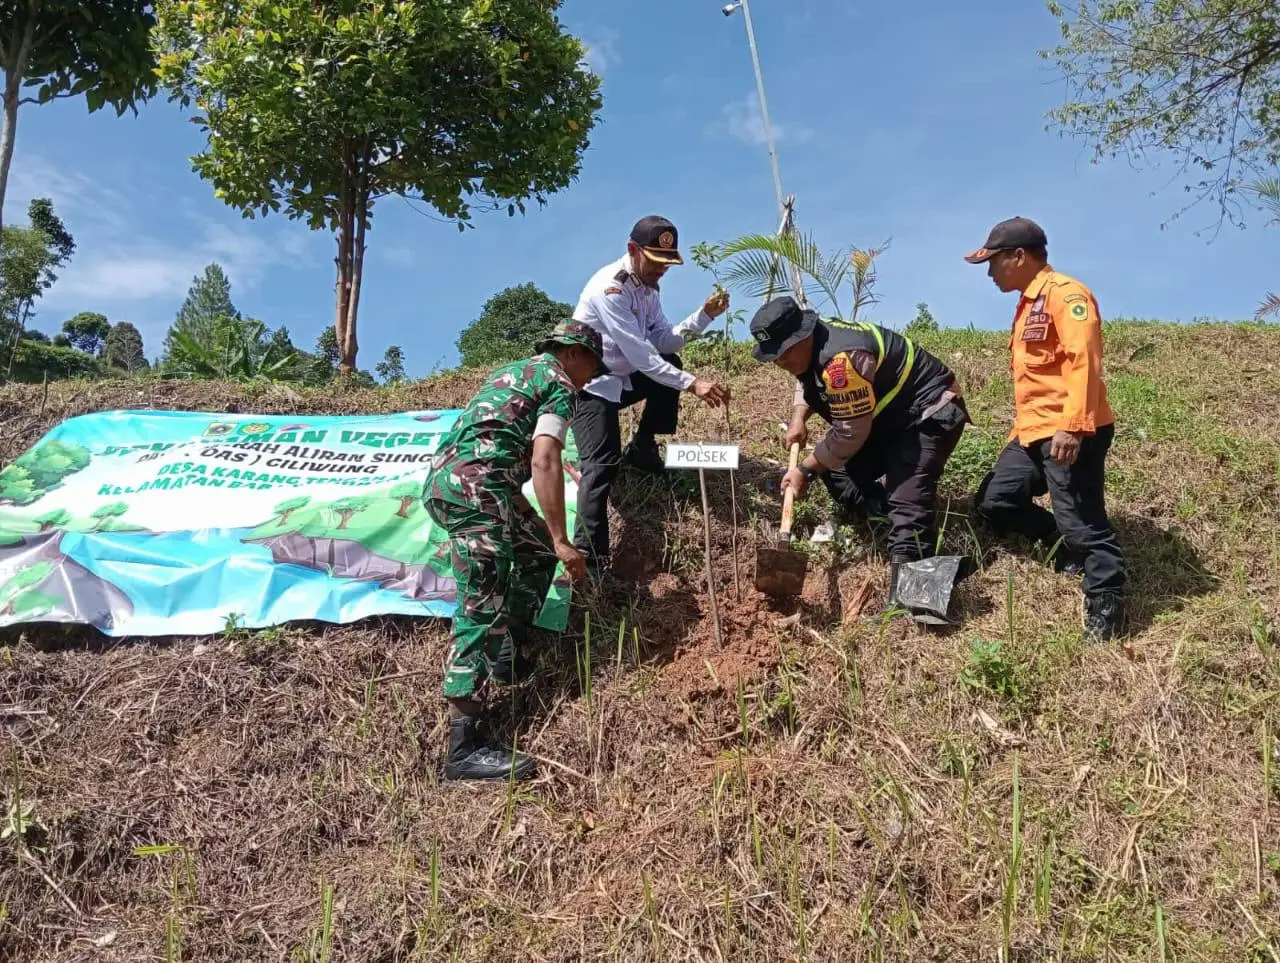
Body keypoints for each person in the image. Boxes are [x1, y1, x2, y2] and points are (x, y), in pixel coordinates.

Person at [424, 321, 606, 781]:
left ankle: (509, 655)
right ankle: (463, 748)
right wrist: (564, 538)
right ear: (573, 354)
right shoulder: (560, 385)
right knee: (481, 604)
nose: (589, 378)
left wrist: (551, 542)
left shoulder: (512, 372)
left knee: (536, 549)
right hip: (478, 491)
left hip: (461, 483)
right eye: (591, 367)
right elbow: (544, 458)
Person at [749, 295, 970, 612]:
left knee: (908, 503)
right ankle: (884, 513)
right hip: (887, 420)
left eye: (783, 354)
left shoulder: (843, 361)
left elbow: (850, 433)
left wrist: (805, 470)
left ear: (803, 336)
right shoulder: (813, 346)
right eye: (774, 357)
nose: (779, 363)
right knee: (837, 472)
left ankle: (911, 603)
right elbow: (806, 381)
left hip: (927, 413)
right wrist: (799, 418)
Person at [963, 216, 1125, 641]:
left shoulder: (1066, 295)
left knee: (1083, 522)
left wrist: (1072, 427)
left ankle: (1106, 599)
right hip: (1032, 432)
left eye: (993, 261)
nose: (990, 272)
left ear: (1019, 256)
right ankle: (1064, 550)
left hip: (1071, 430)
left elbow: (1082, 361)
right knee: (996, 499)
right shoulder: (1027, 302)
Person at [570, 215, 731, 579]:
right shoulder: (609, 289)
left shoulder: (648, 288)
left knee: (670, 363)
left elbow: (663, 341)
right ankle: (590, 559)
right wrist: (692, 383)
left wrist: (704, 316)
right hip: (590, 386)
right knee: (601, 465)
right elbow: (642, 355)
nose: (662, 271)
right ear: (632, 250)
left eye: (667, 264)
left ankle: (643, 447)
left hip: (623, 378)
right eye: (656, 262)